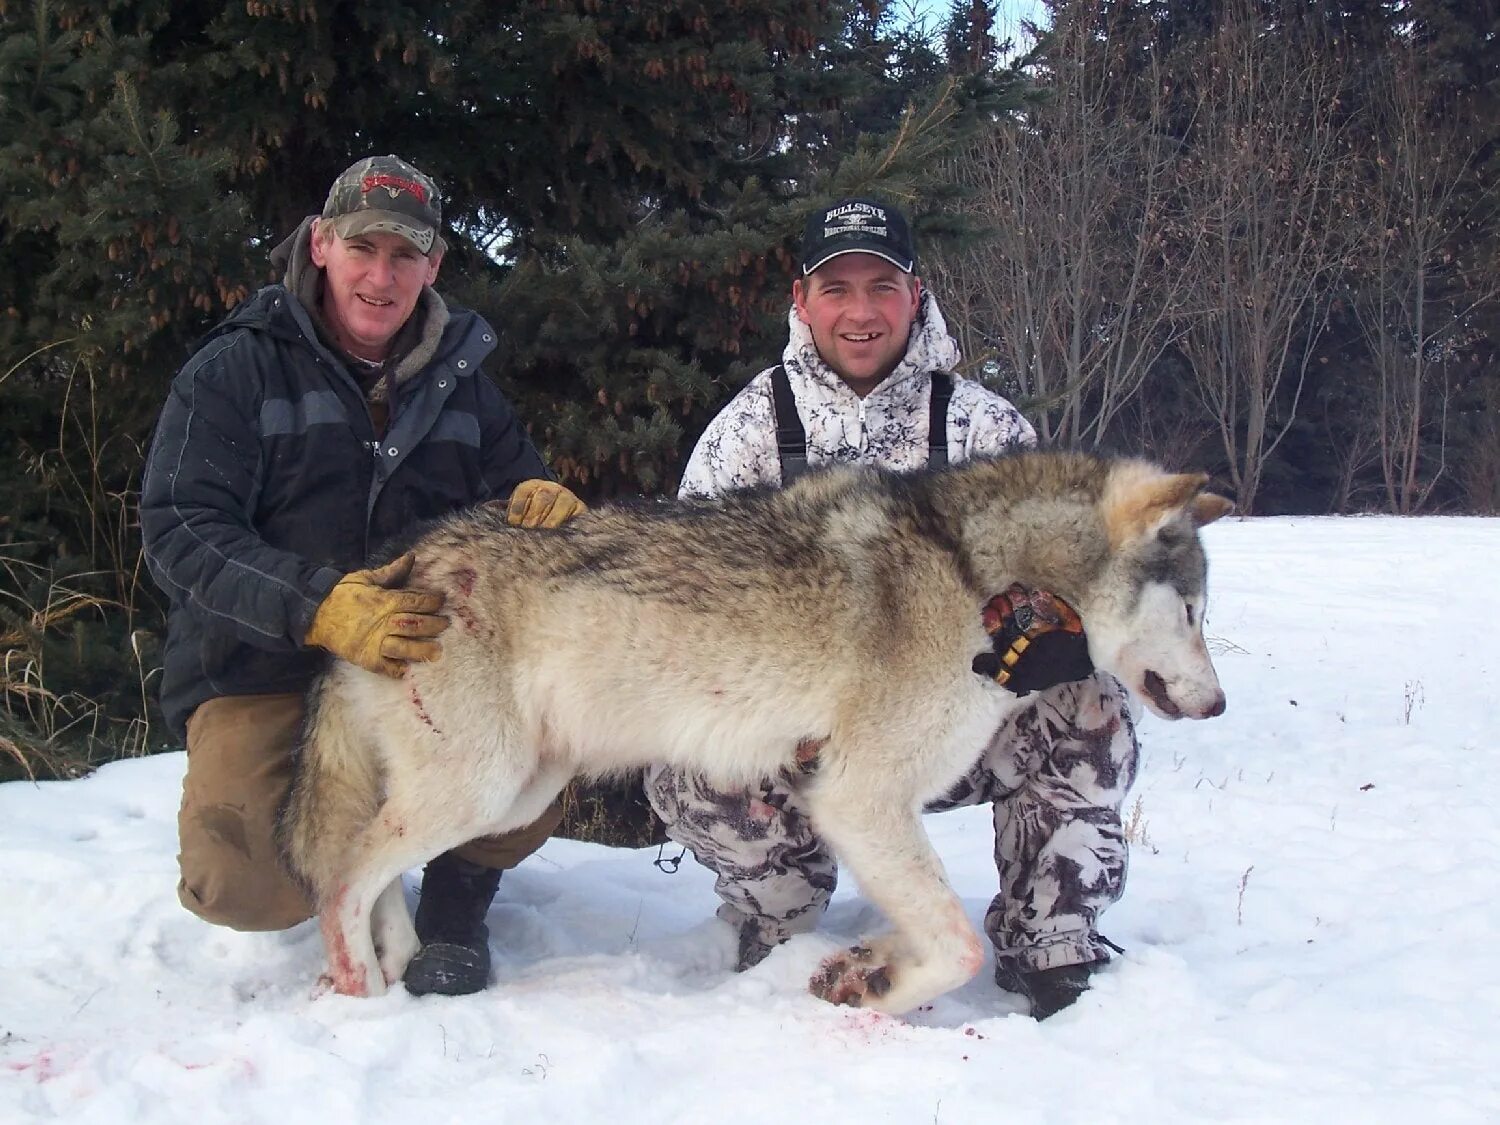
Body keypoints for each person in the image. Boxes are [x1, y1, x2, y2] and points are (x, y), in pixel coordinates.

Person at [645, 197, 1141, 1019]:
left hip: (949, 729)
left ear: (918, 293)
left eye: (883, 284)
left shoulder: (983, 426)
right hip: (799, 733)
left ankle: (1049, 935)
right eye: (837, 288)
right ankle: (783, 918)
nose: (862, 311)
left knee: (1091, 703)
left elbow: (1094, 566)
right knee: (687, 754)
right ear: (801, 301)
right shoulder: (747, 435)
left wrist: (1077, 635)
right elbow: (682, 604)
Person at [140, 155, 585, 997]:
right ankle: (359, 877)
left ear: (434, 265)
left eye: (405, 255)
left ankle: (458, 901)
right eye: (362, 248)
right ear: (320, 244)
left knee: (533, 764)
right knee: (242, 880)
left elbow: (521, 504)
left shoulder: (465, 384)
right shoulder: (235, 369)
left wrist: (545, 498)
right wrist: (316, 605)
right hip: (265, 666)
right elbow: (180, 529)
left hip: (428, 666)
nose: (382, 277)